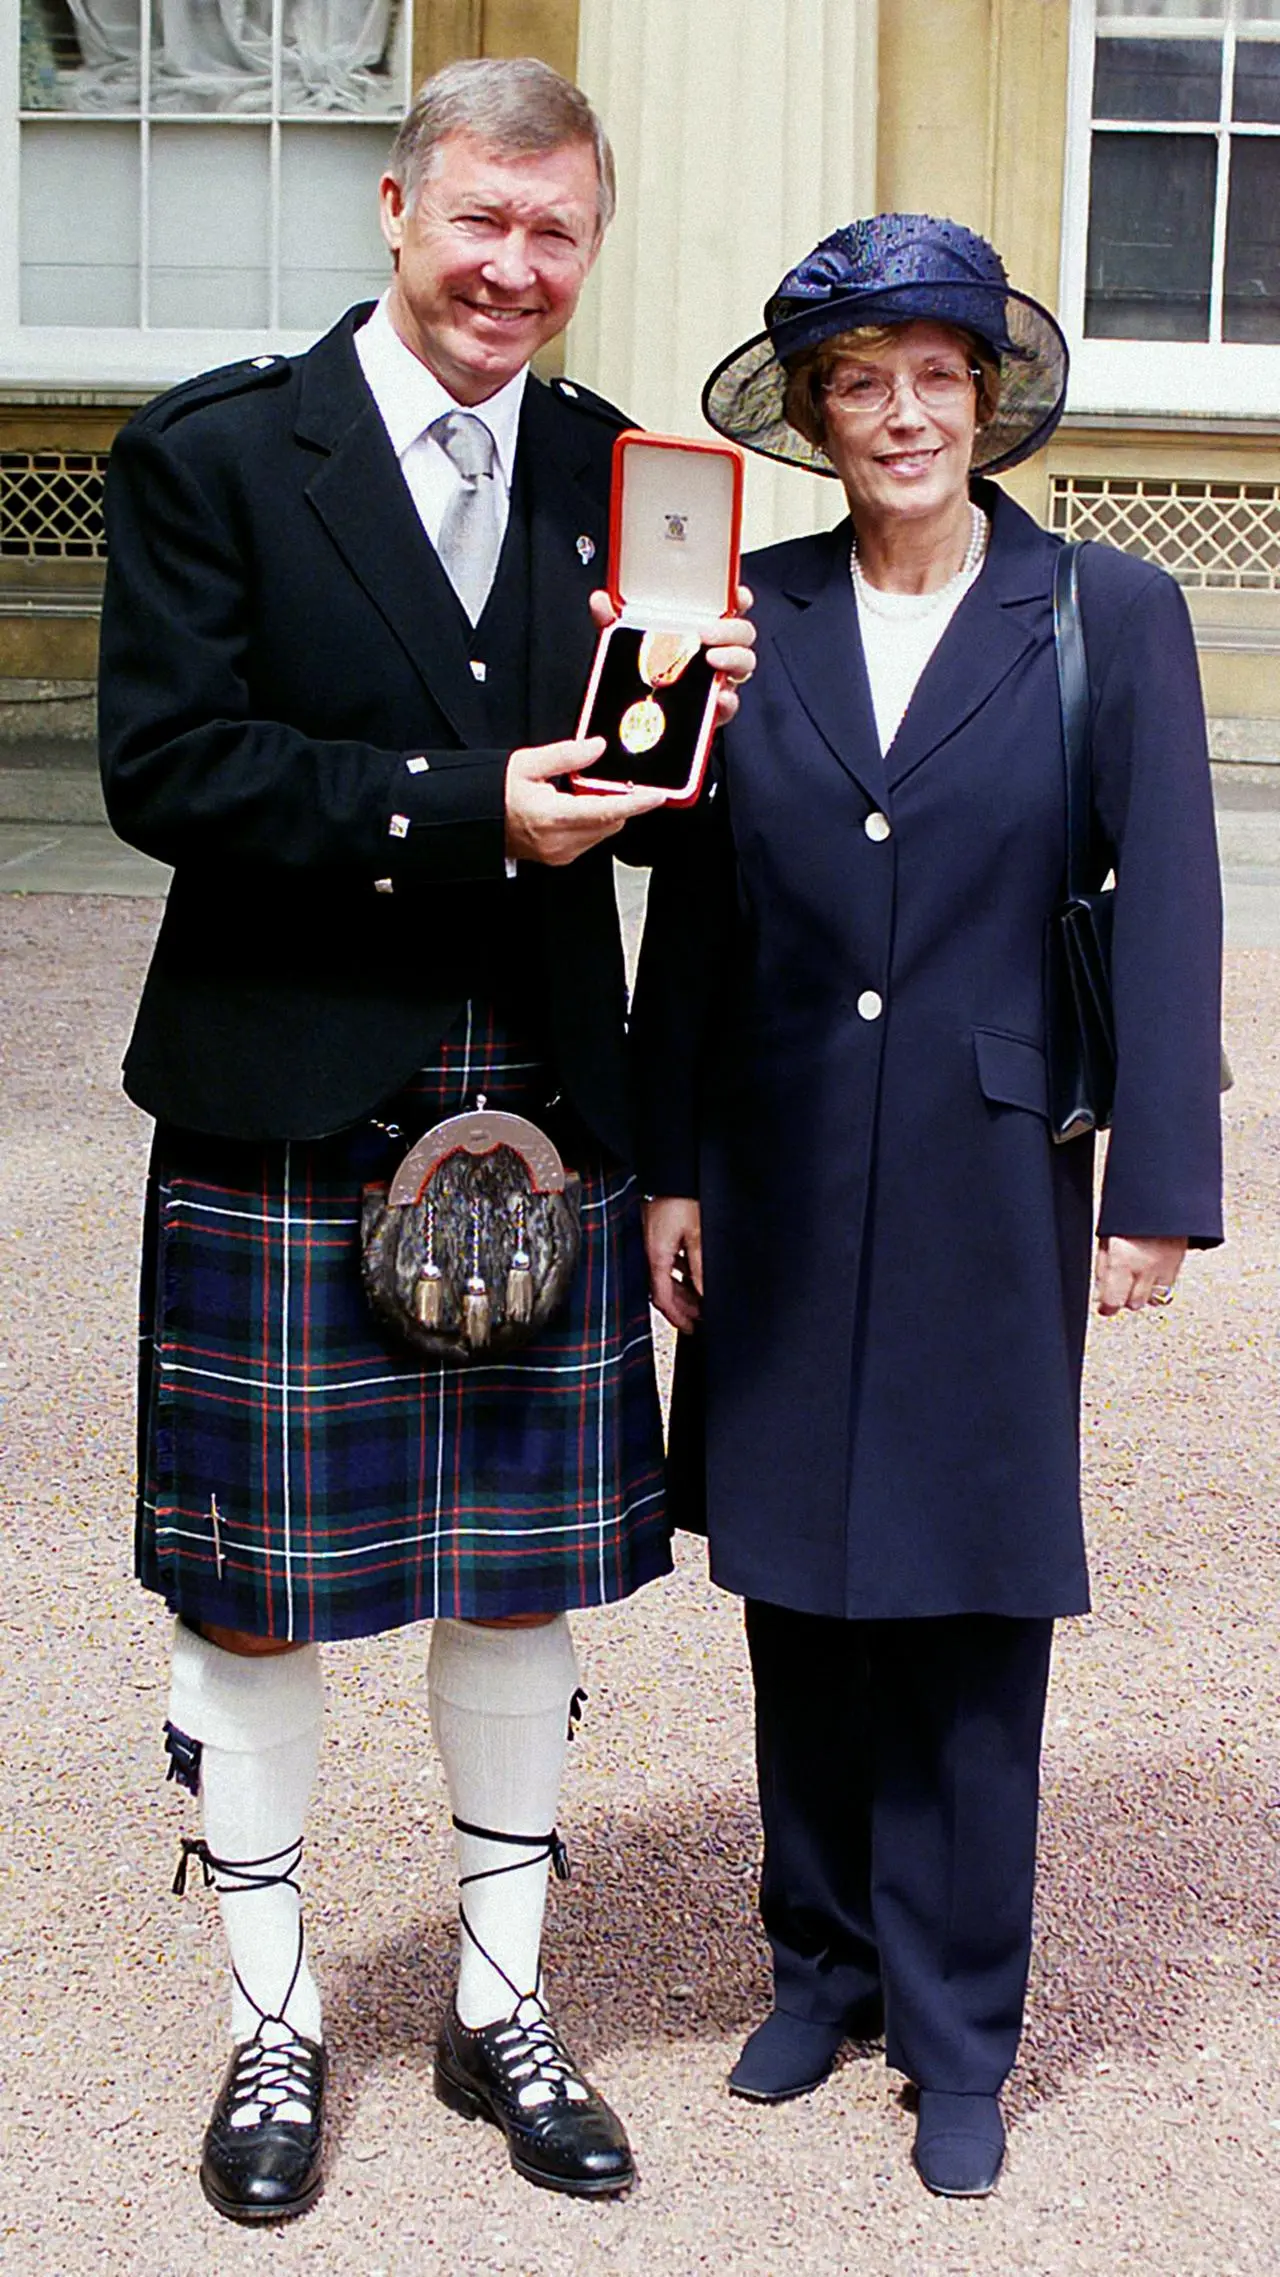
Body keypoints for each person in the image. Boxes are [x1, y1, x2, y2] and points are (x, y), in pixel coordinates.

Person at [99, 56, 753, 2224]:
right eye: (480, 219)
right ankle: (275, 2015)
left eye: (555, 232)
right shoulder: (215, 450)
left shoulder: (622, 469)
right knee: (263, 1602)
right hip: (293, 1104)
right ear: (398, 207)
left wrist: (712, 729)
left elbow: (667, 790)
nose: (513, 268)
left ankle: (497, 2002)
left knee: (512, 1590)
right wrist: (463, 804)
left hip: (540, 1104)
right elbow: (169, 768)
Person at [631, 213, 1223, 2200]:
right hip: (781, 1165)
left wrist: (1159, 1181)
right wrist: (669, 1166)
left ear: (985, 401)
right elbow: (690, 920)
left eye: (931, 375)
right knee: (795, 1573)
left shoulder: (1100, 612)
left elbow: (1169, 914)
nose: (897, 412)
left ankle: (960, 2027)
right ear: (812, 411)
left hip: (991, 1175)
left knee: (970, 1597)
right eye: (857, 380)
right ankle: (820, 1961)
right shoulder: (744, 608)